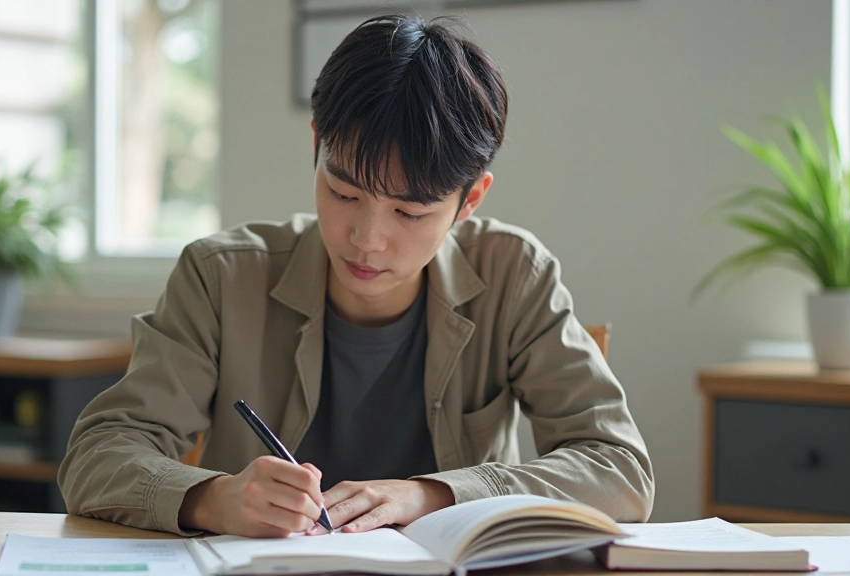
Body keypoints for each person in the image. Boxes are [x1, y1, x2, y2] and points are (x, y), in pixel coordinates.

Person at [58, 14, 654, 539]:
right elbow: (98, 452)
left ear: (470, 200)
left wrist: (432, 494)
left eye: (410, 212)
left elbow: (620, 470)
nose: (367, 238)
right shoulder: (220, 276)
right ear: (316, 144)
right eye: (344, 192)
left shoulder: (514, 275)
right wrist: (215, 499)